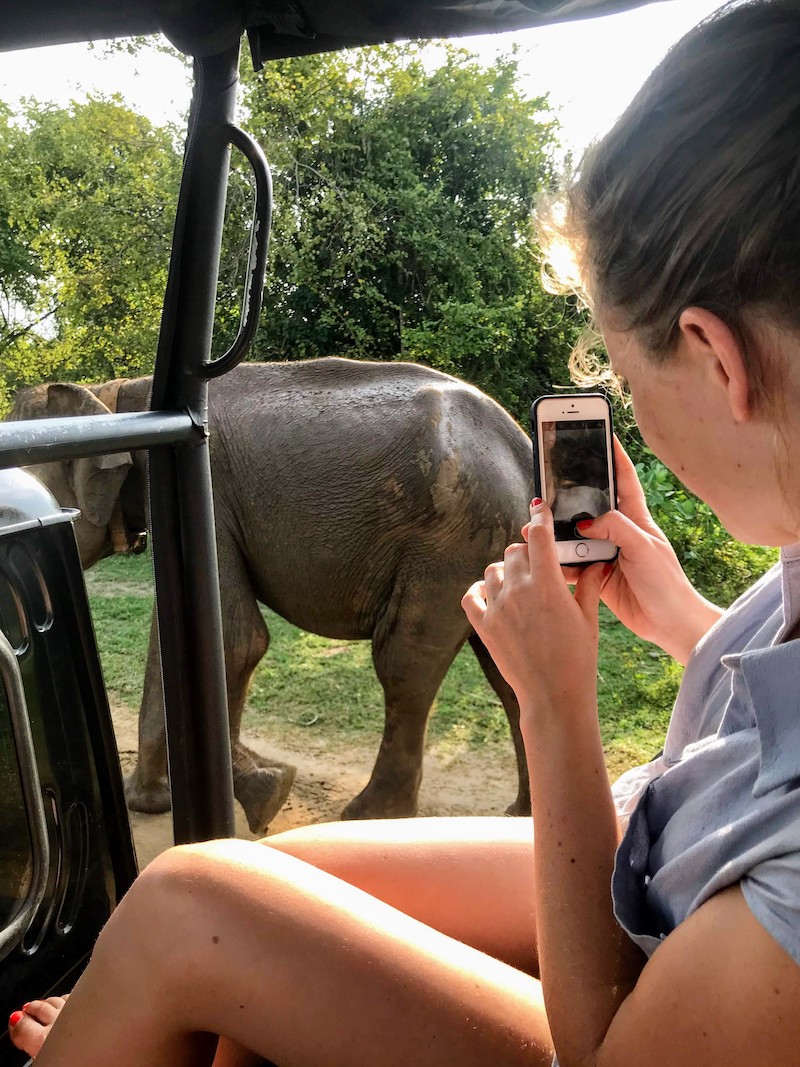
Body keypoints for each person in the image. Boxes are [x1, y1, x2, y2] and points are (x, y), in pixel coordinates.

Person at [10, 0, 800, 1063]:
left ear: (713, 356)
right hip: (665, 858)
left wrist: (557, 708)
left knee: (185, 899)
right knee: (284, 884)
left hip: (649, 958)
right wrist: (684, 619)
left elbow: (606, 1045)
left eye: (613, 368)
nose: (622, 401)